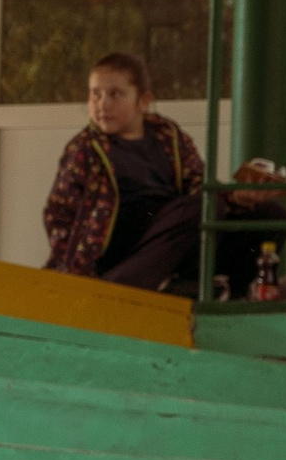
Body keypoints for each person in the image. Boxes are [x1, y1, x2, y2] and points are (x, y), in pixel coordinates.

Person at [42, 53, 206, 293]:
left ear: (143, 100)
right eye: (95, 94)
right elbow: (58, 212)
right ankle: (124, 286)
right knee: (195, 209)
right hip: (112, 256)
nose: (103, 104)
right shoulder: (85, 148)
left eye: (115, 94)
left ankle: (211, 285)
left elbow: (198, 185)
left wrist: (237, 200)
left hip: (163, 240)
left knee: (262, 211)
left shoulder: (169, 137)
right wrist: (75, 264)